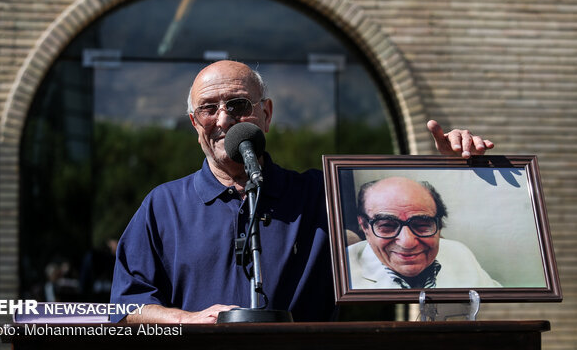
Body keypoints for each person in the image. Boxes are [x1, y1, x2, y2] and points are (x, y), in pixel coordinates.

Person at [110, 60, 495, 323]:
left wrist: (456, 169)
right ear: (195, 123)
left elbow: (416, 221)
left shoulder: (319, 193)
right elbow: (127, 307)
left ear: (266, 113)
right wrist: (191, 320)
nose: (223, 118)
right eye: (209, 109)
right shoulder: (163, 205)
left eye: (238, 104)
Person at [348, 177, 501, 289]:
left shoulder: (459, 252)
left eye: (421, 225)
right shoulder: (341, 274)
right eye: (387, 226)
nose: (407, 242)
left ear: (439, 225)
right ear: (365, 226)